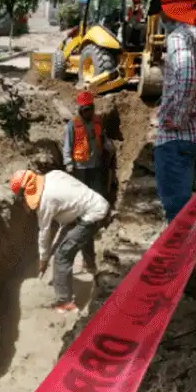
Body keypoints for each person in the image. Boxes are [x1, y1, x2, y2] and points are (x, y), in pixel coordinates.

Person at [147, 0, 196, 225]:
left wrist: (175, 118)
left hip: (177, 140)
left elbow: (186, 77)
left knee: (176, 214)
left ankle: (178, 264)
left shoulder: (178, 38)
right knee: (188, 209)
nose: (161, 16)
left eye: (161, 8)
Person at [9, 169, 109, 314]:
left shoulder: (45, 200)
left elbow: (44, 233)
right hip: (92, 206)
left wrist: (43, 260)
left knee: (62, 256)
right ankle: (90, 265)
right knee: (73, 239)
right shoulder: (53, 175)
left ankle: (65, 303)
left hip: (92, 215)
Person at [62, 90, 115, 274]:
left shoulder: (98, 122)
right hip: (80, 169)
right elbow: (67, 147)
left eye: (91, 109)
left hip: (96, 167)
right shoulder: (72, 126)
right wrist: (69, 165)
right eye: (86, 110)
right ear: (81, 109)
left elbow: (103, 139)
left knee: (98, 195)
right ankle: (82, 223)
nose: (89, 112)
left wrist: (109, 146)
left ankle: (97, 224)